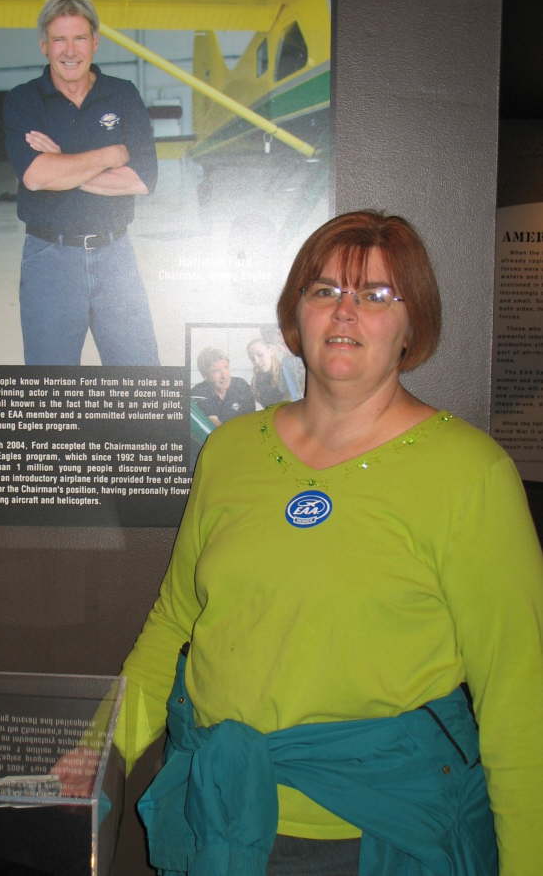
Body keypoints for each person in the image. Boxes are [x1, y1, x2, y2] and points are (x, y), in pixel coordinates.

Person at [58, 211, 543, 875]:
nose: (345, 313)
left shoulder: (468, 472)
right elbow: (176, 622)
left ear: (412, 325)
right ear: (297, 315)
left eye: (376, 295)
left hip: (377, 832)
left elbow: (520, 694)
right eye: (324, 291)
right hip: (221, 819)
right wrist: (99, 754)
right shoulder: (231, 451)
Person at [3, 0, 159, 366]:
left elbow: (142, 179)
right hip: (49, 260)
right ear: (44, 45)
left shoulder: (122, 94)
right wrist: (111, 154)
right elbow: (37, 177)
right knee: (51, 387)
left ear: (95, 42)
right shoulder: (23, 100)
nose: (69, 51)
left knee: (139, 379)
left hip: (116, 255)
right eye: (59, 39)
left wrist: (62, 163)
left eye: (79, 38)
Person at [190, 346, 255, 426]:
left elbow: (251, 419)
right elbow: (215, 425)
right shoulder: (198, 392)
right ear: (204, 375)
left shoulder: (241, 385)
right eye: (216, 371)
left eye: (226, 367)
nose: (224, 376)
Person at [246, 337, 295, 407]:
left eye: (260, 355)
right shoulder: (255, 382)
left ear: (271, 351)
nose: (256, 361)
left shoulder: (288, 372)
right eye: (252, 358)